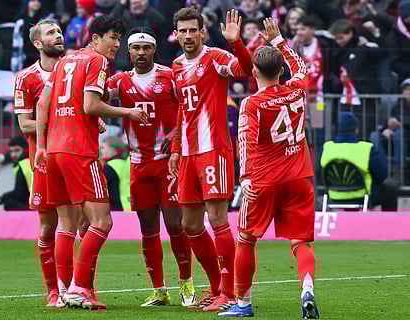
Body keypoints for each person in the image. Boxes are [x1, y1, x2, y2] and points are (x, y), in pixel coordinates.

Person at [35, 14, 148, 310]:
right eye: (112, 37)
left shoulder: (64, 61)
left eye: (119, 38)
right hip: (79, 152)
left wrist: (41, 146)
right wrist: (129, 113)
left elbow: (43, 103)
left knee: (66, 224)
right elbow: (90, 104)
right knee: (102, 221)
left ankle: (61, 292)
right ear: (95, 38)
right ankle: (79, 287)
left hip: (54, 151)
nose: (117, 44)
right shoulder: (97, 61)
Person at [218, 18, 318, 318]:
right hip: (299, 176)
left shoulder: (252, 103)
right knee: (301, 242)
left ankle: (243, 304)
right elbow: (303, 68)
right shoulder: (297, 90)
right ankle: (307, 290)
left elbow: (245, 141)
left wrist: (245, 177)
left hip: (263, 180)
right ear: (280, 70)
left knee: (246, 239)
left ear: (254, 71)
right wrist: (280, 42)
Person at [168, 8, 252, 312]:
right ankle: (217, 286)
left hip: (213, 150)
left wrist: (236, 43)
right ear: (176, 34)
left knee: (217, 219)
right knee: (190, 224)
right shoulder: (176, 65)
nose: (188, 36)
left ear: (202, 32)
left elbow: (245, 70)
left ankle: (230, 293)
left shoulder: (215, 58)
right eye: (183, 31)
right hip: (188, 154)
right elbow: (182, 110)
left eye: (193, 30)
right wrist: (176, 148)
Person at [107, 26, 195, 307]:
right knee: (148, 229)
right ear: (128, 51)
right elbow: (92, 98)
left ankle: (186, 284)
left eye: (146, 48)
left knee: (175, 224)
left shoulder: (170, 77)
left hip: (167, 163)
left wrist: (177, 137)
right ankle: (159, 290)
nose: (141, 53)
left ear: (155, 50)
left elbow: (189, 109)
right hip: (138, 164)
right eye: (135, 48)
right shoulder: (119, 81)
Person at [13, 18, 66, 307]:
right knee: (48, 228)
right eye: (51, 33)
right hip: (43, 159)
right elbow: (24, 125)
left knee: (84, 226)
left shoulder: (73, 69)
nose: (58, 36)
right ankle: (53, 290)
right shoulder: (26, 78)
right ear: (37, 43)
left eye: (59, 32)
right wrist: (63, 122)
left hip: (74, 156)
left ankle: (77, 287)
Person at [322, 112, 398, 211]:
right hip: (363, 196)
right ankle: (389, 225)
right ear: (357, 130)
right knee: (390, 189)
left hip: (334, 195)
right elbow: (382, 175)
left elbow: (321, 173)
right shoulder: (367, 149)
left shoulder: (326, 148)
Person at [1, 136, 32, 210]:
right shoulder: (30, 162)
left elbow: (20, 195)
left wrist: (4, 197)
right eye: (11, 151)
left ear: (25, 150)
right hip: (37, 201)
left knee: (8, 203)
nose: (13, 155)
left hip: (30, 204)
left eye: (17, 150)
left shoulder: (23, 165)